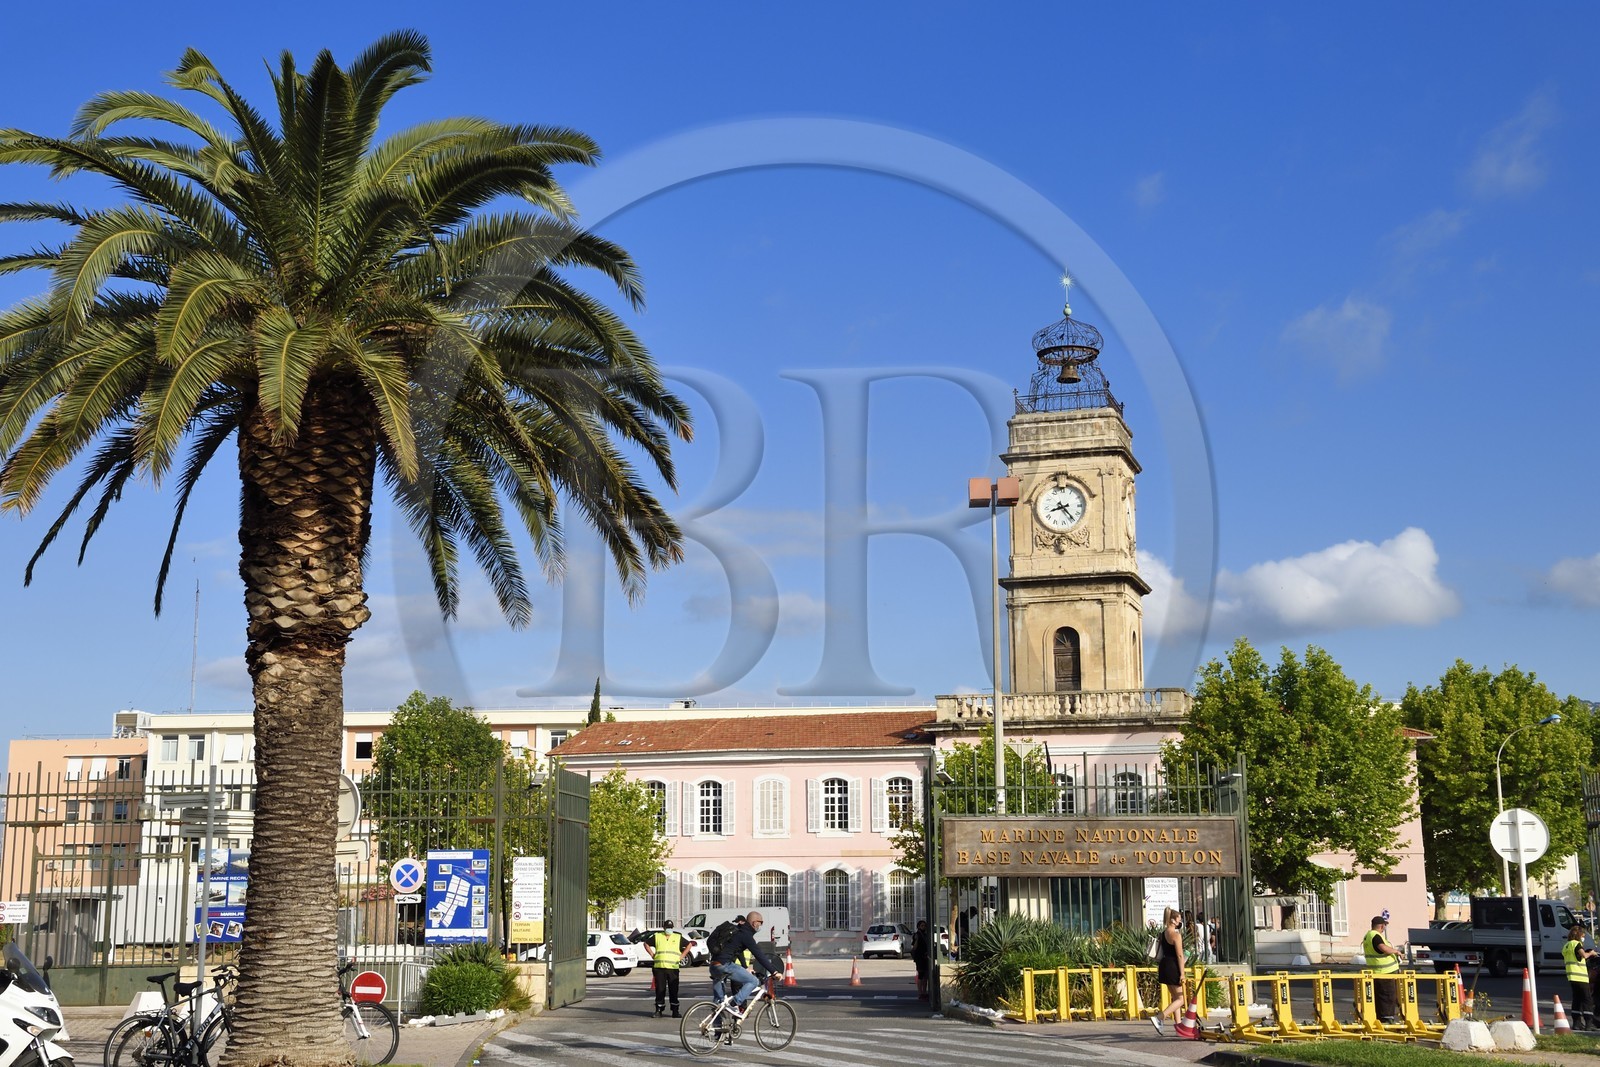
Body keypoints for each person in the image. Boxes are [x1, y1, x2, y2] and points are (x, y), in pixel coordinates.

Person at [709, 911, 773, 1013]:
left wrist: (745, 968)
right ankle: (735, 1002)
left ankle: (718, 1026)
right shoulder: (746, 935)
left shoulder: (738, 931)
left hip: (713, 965)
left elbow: (736, 951)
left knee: (719, 1003)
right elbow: (759, 955)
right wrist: (774, 971)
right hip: (724, 965)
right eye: (760, 923)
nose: (760, 925)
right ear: (754, 922)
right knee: (754, 981)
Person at [1150, 907, 1186, 1035]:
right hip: (1173, 966)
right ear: (1173, 920)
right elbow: (1180, 955)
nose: (1180, 922)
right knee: (1181, 999)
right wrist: (1182, 973)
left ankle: (1178, 1026)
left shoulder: (1163, 933)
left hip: (1164, 965)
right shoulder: (1176, 935)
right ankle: (1160, 1017)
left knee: (1175, 997)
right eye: (1179, 919)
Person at [1363, 914, 1402, 1023]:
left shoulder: (1368, 936)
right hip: (1385, 972)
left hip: (1378, 972)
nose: (1385, 928)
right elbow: (1383, 948)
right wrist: (1396, 951)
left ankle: (1382, 1018)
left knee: (1380, 997)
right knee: (1388, 996)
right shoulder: (1375, 936)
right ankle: (1387, 1019)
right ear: (1381, 926)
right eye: (1384, 925)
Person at [646, 920, 685, 1018]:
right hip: (659, 968)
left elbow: (689, 945)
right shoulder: (658, 936)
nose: (669, 930)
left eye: (671, 928)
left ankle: (675, 1011)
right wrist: (652, 954)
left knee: (674, 990)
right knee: (660, 990)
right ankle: (659, 1010)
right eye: (667, 927)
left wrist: (681, 956)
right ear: (663, 928)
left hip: (673, 968)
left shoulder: (677, 937)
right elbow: (646, 944)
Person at [1564, 924, 1594, 1029]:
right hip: (1580, 977)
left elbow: (1574, 957)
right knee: (1587, 1000)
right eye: (1583, 935)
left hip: (1572, 977)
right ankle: (1589, 1024)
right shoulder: (1577, 944)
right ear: (1578, 935)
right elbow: (1584, 955)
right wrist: (1591, 953)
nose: (1583, 937)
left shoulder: (1567, 945)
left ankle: (1576, 1023)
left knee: (1577, 999)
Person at [912, 919, 933, 1000]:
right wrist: (916, 939)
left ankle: (924, 991)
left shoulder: (926, 935)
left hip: (926, 957)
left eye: (924, 926)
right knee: (920, 975)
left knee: (926, 976)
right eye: (922, 926)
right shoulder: (916, 935)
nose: (923, 927)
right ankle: (920, 992)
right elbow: (914, 947)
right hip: (919, 957)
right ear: (918, 927)